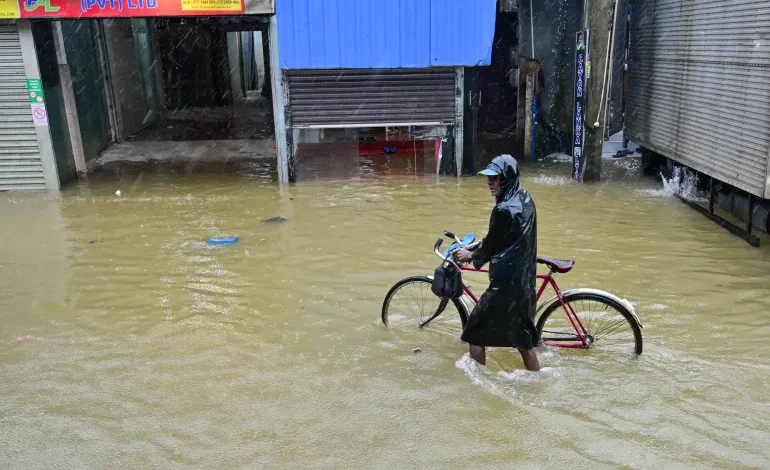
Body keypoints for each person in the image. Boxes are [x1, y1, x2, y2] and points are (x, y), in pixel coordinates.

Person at [454, 154, 540, 371]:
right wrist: (483, 243)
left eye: (495, 178)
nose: (490, 183)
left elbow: (491, 246)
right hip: (524, 282)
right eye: (488, 179)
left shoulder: (502, 209)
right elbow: (504, 236)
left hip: (506, 286)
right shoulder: (525, 198)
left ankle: (477, 384)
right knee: (524, 341)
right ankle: (536, 378)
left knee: (474, 333)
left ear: (507, 179)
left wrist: (471, 255)